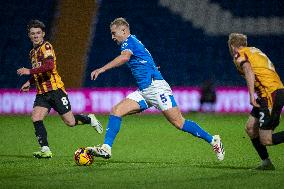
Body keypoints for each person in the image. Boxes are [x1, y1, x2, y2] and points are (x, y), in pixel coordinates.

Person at [86, 17, 225, 161]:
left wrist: (102, 69)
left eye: (114, 33)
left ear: (123, 30)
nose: (112, 36)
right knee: (116, 110)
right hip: (144, 91)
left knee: (179, 122)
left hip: (156, 88)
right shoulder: (134, 41)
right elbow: (145, 58)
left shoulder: (129, 42)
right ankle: (106, 148)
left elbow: (125, 58)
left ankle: (213, 140)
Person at [17, 20, 103, 159]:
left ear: (43, 33)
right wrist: (29, 81)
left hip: (56, 91)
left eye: (38, 33)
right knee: (36, 117)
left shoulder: (47, 47)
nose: (36, 36)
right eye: (33, 33)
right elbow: (39, 72)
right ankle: (45, 149)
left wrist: (29, 71)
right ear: (29, 35)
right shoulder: (32, 53)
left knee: (70, 122)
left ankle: (89, 119)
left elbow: (49, 66)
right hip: (42, 93)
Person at [228, 33, 284, 170]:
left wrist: (252, 95)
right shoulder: (255, 51)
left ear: (232, 46)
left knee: (266, 139)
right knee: (250, 128)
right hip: (270, 92)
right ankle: (266, 163)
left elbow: (247, 69)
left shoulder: (239, 54)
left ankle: (267, 162)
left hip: (269, 94)